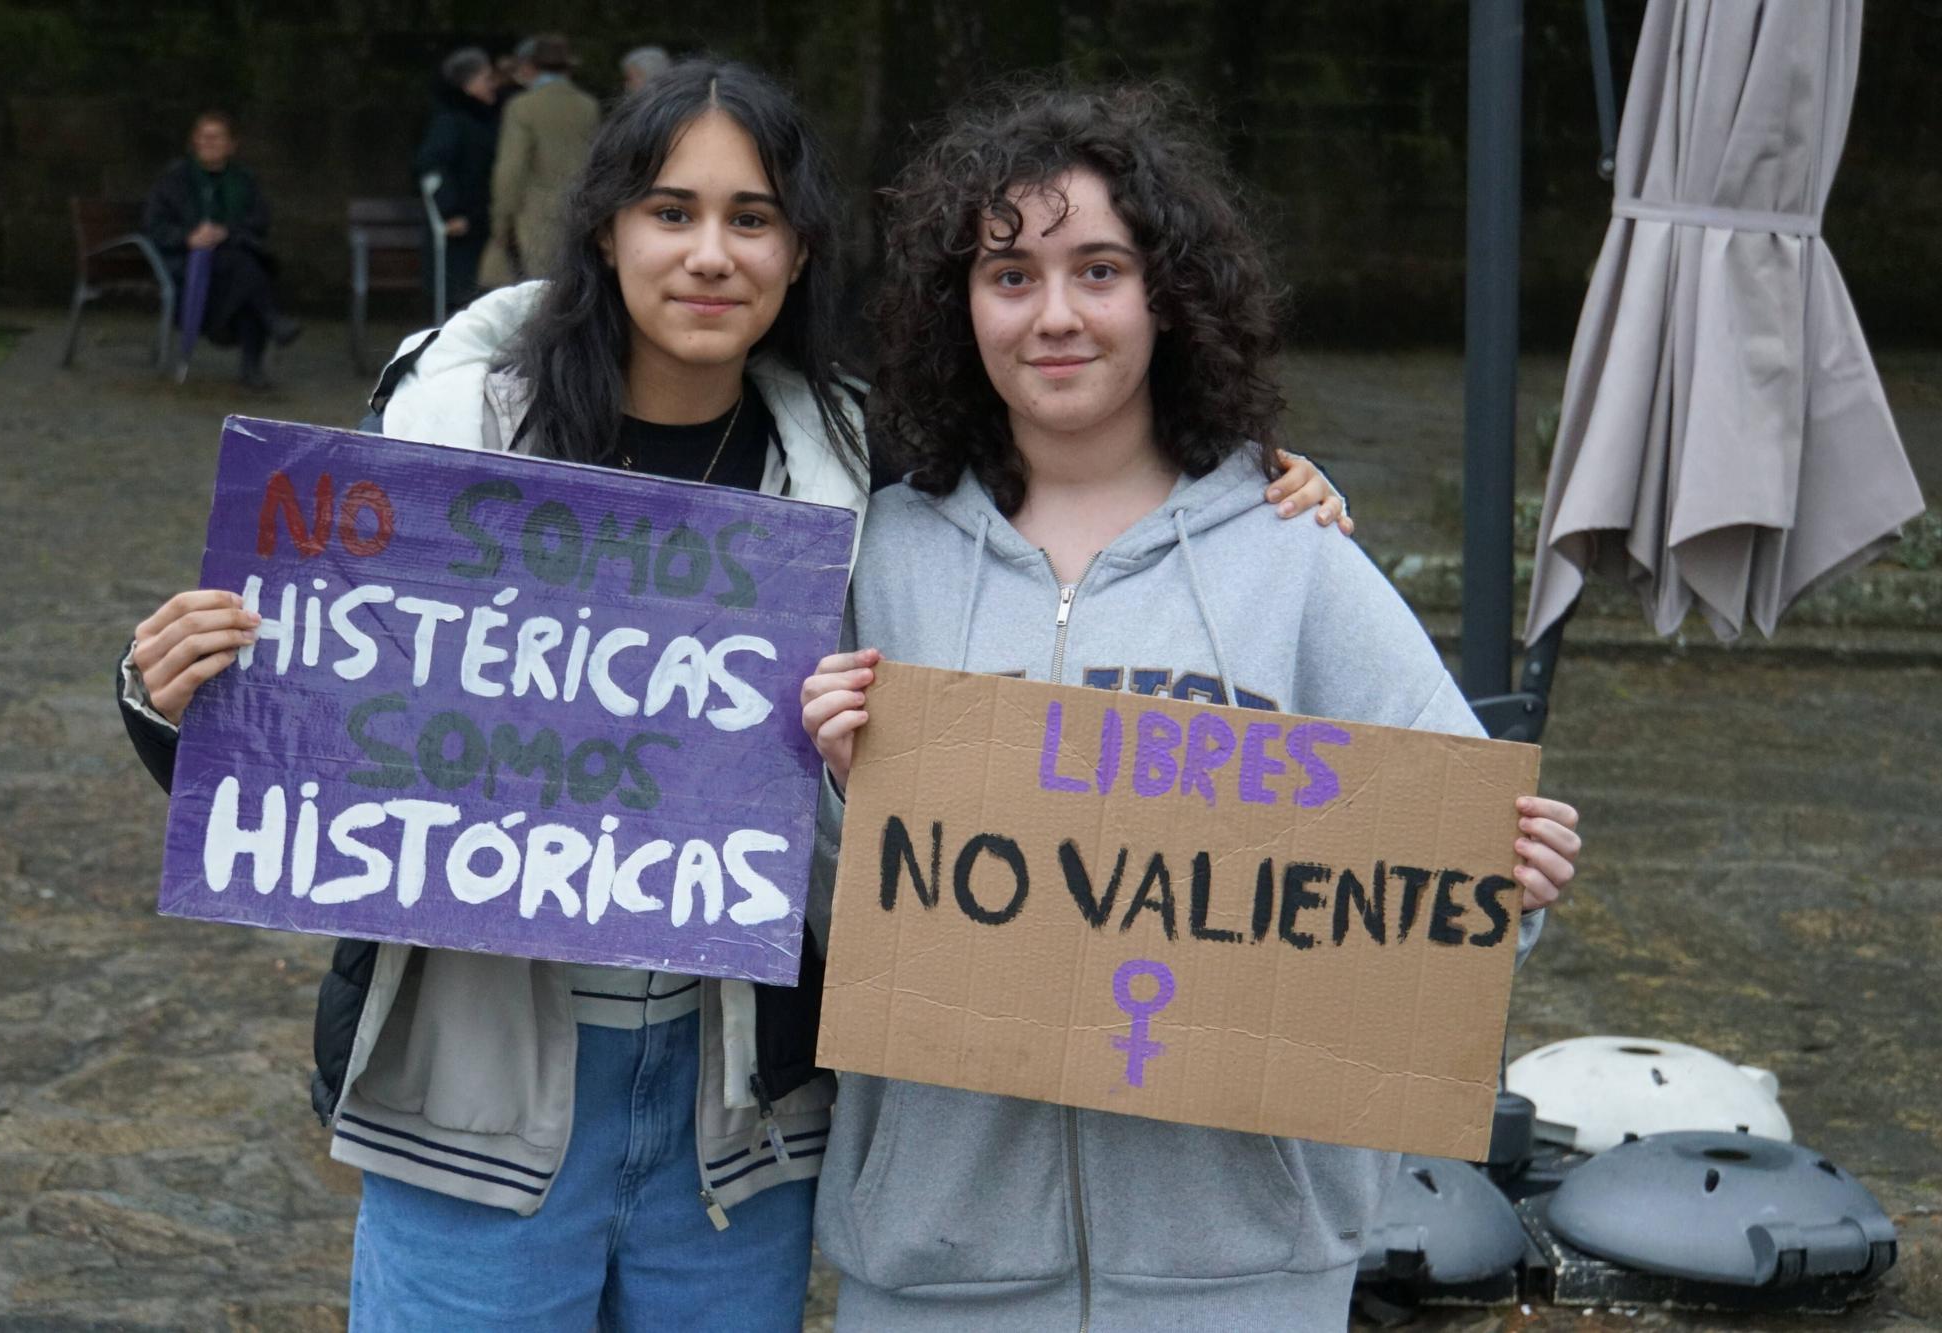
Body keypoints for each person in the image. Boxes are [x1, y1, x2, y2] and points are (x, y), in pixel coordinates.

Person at [114, 63, 1345, 1331]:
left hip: (741, 1120)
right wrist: (172, 689)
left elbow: (1063, 513)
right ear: (605, 228)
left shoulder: (866, 478)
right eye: (671, 211)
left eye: (751, 218)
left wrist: (1251, 484)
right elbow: (301, 752)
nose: (710, 254)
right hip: (474, 1098)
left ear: (800, 249)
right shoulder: (443, 453)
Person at [799, 82, 1583, 1330]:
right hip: (936, 1256)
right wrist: (842, 792)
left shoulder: (1291, 551)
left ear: (1165, 295)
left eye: (1098, 269)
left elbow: (1427, 900)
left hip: (1242, 1266)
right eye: (1009, 275)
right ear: (958, 307)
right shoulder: (874, 559)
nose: (1055, 314)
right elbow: (824, 925)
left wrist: (1511, 887)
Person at [142, 111, 299, 387]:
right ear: (194, 142)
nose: (210, 142)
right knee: (249, 269)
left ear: (231, 145)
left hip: (231, 256)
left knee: (246, 266)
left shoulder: (243, 180)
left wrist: (224, 232)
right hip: (186, 262)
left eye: (217, 137)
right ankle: (270, 324)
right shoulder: (175, 179)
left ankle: (254, 360)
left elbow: (259, 220)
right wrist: (190, 237)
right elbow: (155, 225)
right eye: (204, 137)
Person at [488, 32, 601, 282]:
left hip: (533, 216)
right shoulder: (588, 106)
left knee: (536, 295)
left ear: (529, 67)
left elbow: (511, 169)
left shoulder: (522, 107)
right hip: (579, 213)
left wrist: (501, 221)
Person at [414, 47, 502, 312]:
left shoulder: (481, 118)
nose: (492, 85)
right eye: (486, 78)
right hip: (462, 227)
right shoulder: (451, 121)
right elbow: (432, 166)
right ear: (468, 84)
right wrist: (451, 212)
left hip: (477, 221)